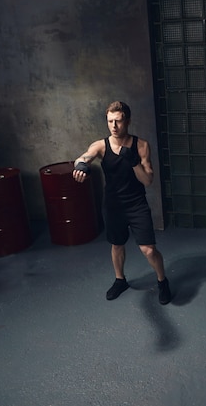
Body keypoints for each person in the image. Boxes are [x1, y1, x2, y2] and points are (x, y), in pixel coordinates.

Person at [72, 101, 171, 305]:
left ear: (127, 121)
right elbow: (84, 157)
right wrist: (81, 166)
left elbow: (148, 180)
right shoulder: (101, 145)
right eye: (110, 121)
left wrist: (134, 162)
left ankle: (163, 281)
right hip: (113, 205)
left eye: (118, 121)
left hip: (136, 204)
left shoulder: (141, 146)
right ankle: (120, 280)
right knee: (117, 245)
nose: (114, 126)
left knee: (148, 249)